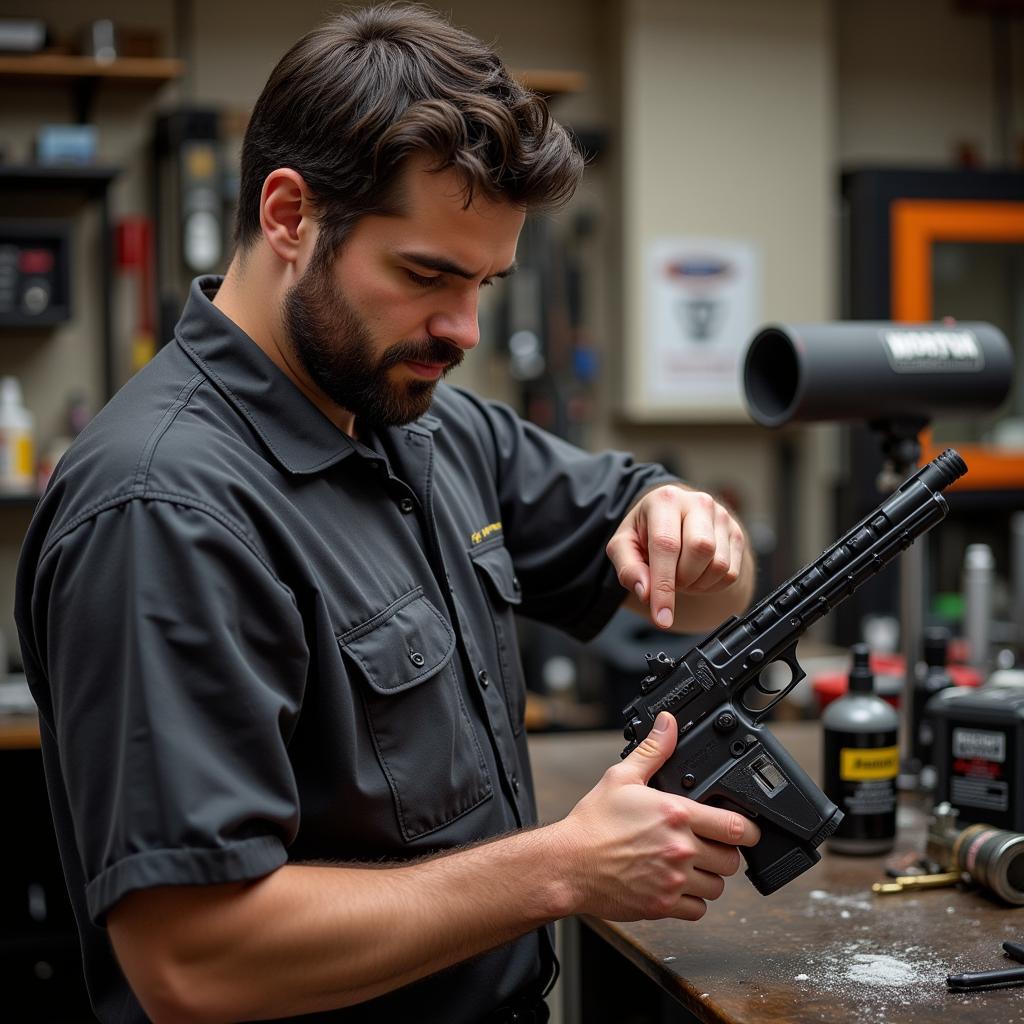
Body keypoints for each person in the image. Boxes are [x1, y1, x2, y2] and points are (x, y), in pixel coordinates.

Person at [15, 5, 759, 1022]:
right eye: (426, 275)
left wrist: (688, 518)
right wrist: (561, 871)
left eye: (487, 282)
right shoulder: (163, 510)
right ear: (289, 216)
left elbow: (692, 572)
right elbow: (194, 959)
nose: (463, 329)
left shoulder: (420, 422)